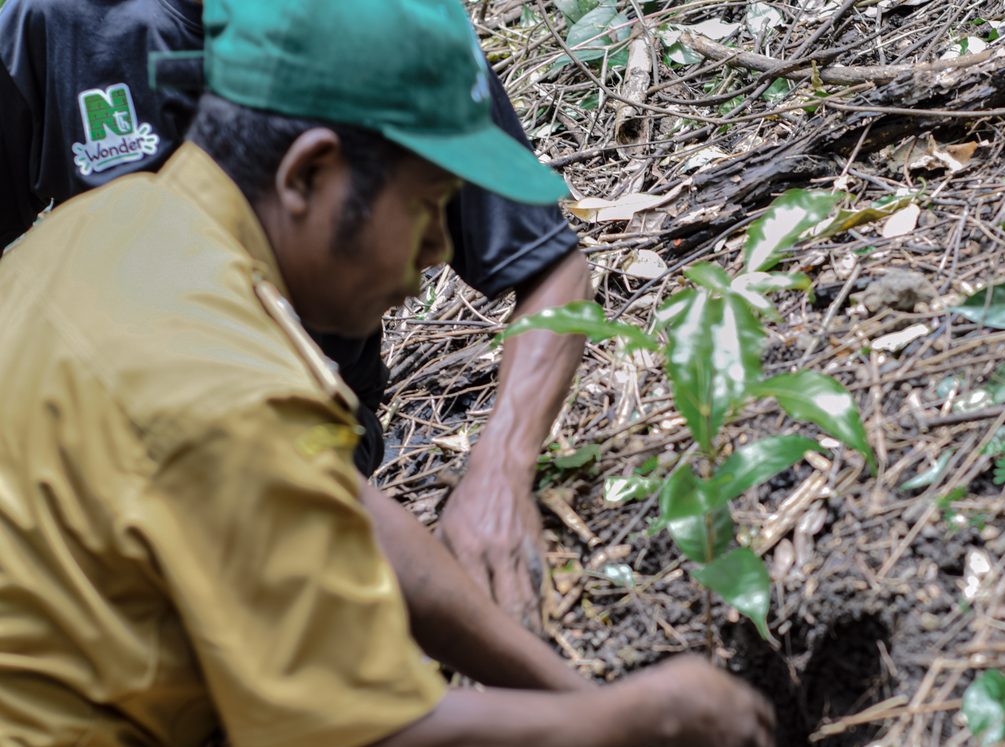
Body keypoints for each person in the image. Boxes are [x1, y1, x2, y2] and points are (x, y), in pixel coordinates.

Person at [0, 1, 777, 747]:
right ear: (310, 174)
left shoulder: (116, 234)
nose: (441, 253)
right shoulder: (223, 380)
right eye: (429, 207)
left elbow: (357, 520)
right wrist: (651, 711)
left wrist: (577, 699)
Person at [0, 0, 583, 627]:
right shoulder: (51, 23)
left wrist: (501, 466)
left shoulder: (378, 27)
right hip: (97, 446)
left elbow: (548, 263)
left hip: (309, 435)